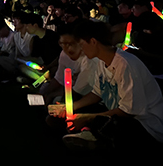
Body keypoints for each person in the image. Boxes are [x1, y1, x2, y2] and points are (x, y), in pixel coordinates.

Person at [50, 21, 163, 150]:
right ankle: (89, 133)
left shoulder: (125, 65)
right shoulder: (101, 62)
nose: (81, 50)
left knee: (116, 125)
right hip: (119, 114)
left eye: (82, 45)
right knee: (77, 112)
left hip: (144, 124)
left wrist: (87, 118)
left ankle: (93, 135)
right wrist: (69, 107)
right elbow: (97, 93)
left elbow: (128, 111)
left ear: (93, 41)